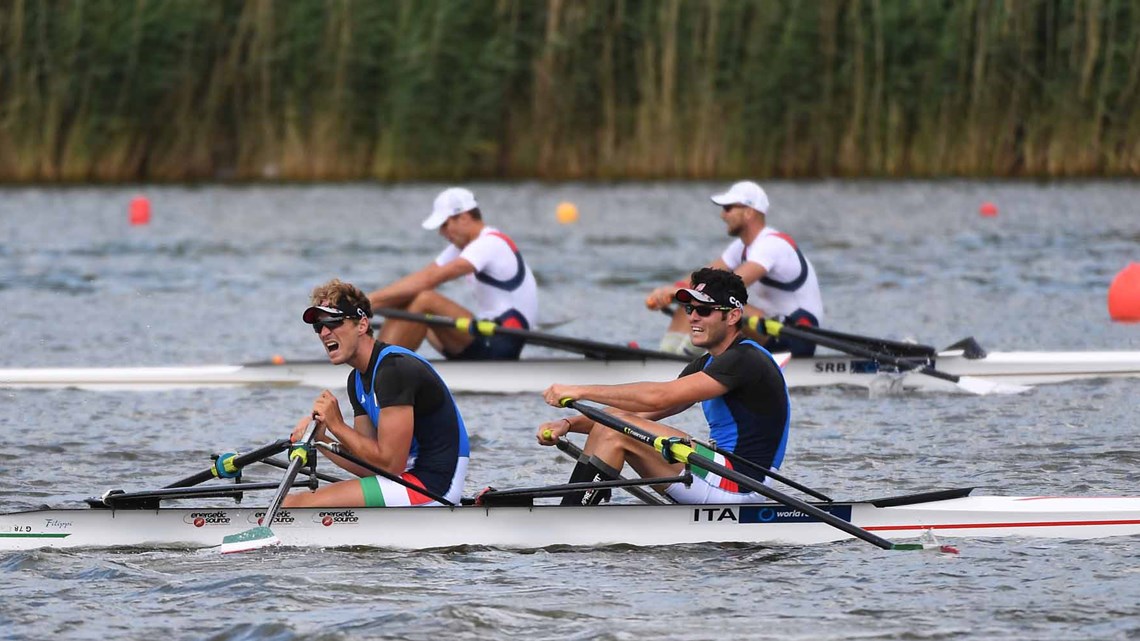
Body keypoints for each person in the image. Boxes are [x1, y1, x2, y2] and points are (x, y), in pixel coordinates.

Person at [537, 268, 790, 505]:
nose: (692, 317)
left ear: (733, 315)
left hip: (742, 483)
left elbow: (658, 397)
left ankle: (573, 514)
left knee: (616, 431)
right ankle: (575, 506)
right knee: (613, 424)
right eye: (689, 309)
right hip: (720, 473)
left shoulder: (746, 359)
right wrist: (568, 424)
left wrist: (581, 391)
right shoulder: (707, 363)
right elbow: (638, 411)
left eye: (704, 310)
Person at [283, 278, 470, 508]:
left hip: (434, 486)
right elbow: (369, 465)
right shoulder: (356, 379)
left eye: (333, 322)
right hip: (405, 479)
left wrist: (337, 425)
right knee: (292, 502)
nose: (323, 332)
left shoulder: (394, 369)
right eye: (318, 326)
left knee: (295, 504)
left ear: (362, 325)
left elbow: (390, 465)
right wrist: (321, 440)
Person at [646, 180, 824, 356]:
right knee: (689, 302)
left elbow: (727, 289)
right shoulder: (741, 247)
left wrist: (678, 292)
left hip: (796, 336)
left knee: (716, 302)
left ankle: (686, 359)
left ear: (748, 212)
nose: (722, 215)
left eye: (728, 208)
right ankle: (668, 356)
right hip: (767, 329)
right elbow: (702, 279)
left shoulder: (772, 245)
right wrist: (670, 291)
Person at [367, 187, 538, 360]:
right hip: (484, 333)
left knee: (425, 299)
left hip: (502, 340)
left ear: (464, 218)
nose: (441, 232)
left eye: (445, 225)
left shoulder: (490, 244)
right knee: (405, 297)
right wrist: (371, 301)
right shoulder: (464, 246)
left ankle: (375, 365)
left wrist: (369, 301)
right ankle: (375, 359)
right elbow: (424, 275)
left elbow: (430, 280)